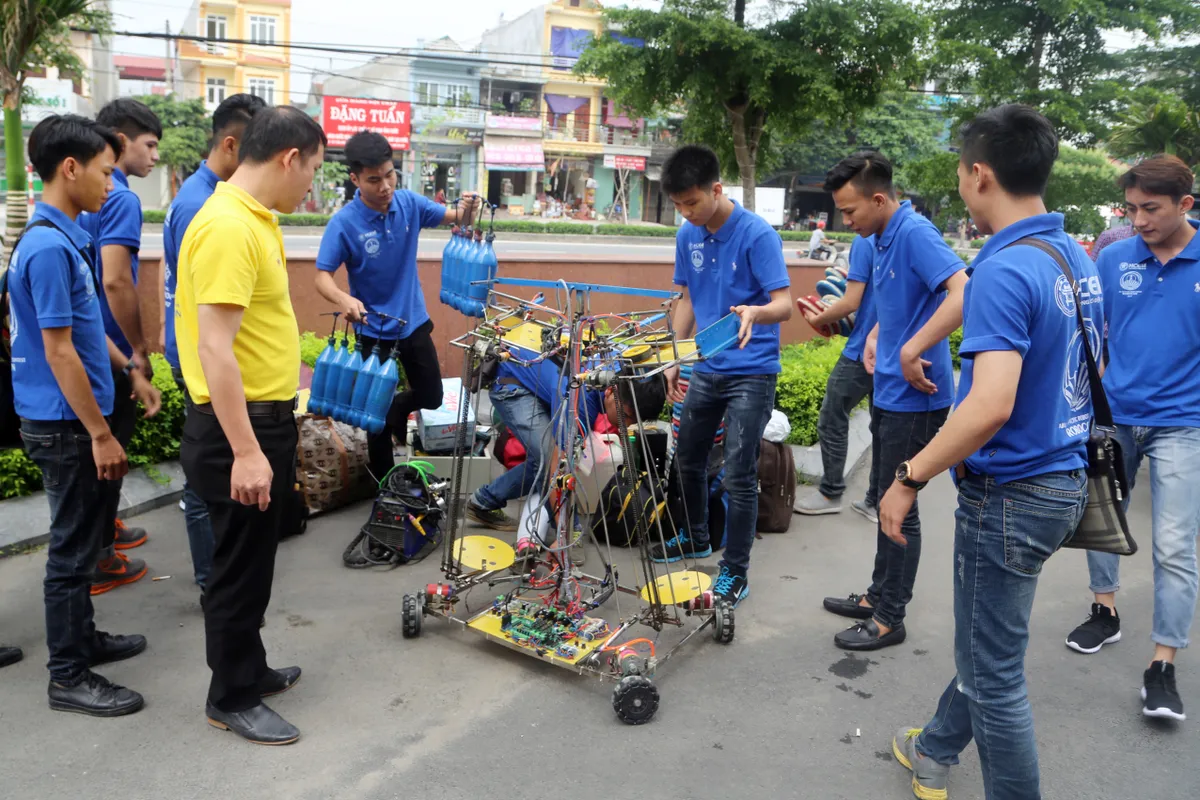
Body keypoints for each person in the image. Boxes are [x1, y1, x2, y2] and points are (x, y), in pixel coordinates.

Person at [885, 104, 1100, 800]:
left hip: (1011, 494)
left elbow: (989, 404)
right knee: (990, 646)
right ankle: (938, 745)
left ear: (980, 174)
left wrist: (908, 477)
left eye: (959, 174)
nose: (959, 188)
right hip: (1063, 481)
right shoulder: (1070, 255)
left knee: (994, 678)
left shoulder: (1008, 268)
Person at [175, 106, 327, 745]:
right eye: (314, 170)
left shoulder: (253, 219)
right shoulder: (228, 226)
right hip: (238, 432)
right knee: (237, 567)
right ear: (289, 157)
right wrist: (246, 451)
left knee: (255, 559)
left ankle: (251, 668)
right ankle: (230, 695)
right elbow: (215, 348)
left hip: (262, 423)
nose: (312, 187)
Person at [8, 114, 161, 715]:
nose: (110, 184)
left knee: (84, 539)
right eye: (103, 172)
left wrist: (130, 370)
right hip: (66, 426)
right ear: (69, 168)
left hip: (79, 419)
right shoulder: (47, 247)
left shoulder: (66, 237)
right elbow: (59, 349)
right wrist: (99, 432)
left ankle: (84, 640)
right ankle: (68, 675)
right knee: (71, 552)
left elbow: (91, 328)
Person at [1065, 154, 1200, 722]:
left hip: (1183, 423)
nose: (1138, 220)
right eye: (1131, 208)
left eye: (1151, 209)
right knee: (1102, 520)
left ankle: (1162, 665)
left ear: (1185, 205)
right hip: (1116, 417)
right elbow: (1090, 335)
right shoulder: (1115, 256)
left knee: (1175, 545)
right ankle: (1105, 611)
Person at [820, 151, 966, 651]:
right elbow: (908, 299)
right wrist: (883, 333)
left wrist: (911, 347)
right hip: (890, 390)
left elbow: (963, 292)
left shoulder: (915, 232)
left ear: (879, 198)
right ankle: (878, 594)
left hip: (917, 396)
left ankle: (889, 616)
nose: (846, 220)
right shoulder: (881, 236)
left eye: (851, 210)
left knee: (900, 508)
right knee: (887, 501)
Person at [648, 144, 793, 607]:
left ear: (716, 189)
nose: (685, 213)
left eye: (691, 203)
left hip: (751, 371)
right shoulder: (687, 236)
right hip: (706, 367)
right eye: (677, 206)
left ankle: (735, 571)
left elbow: (784, 304)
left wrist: (757, 311)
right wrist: (674, 355)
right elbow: (687, 298)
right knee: (687, 459)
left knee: (738, 474)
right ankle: (695, 537)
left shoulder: (757, 235)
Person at [314, 130, 481, 480]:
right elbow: (321, 277)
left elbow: (458, 218)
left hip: (413, 322)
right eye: (374, 180)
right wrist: (344, 298)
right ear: (355, 179)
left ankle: (391, 411)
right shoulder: (343, 224)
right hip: (372, 331)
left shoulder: (409, 204)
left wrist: (469, 208)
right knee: (375, 424)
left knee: (431, 395)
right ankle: (385, 485)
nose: (385, 186)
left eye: (390, 174)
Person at [161, 93, 267, 600]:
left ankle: (221, 580)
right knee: (207, 490)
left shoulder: (209, 197)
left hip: (204, 363)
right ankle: (213, 581)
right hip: (203, 369)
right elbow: (212, 332)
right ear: (231, 145)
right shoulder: (208, 208)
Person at [466, 347, 667, 555]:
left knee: (550, 461)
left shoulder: (626, 370)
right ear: (610, 392)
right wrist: (567, 533)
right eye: (626, 417)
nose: (627, 426)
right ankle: (559, 534)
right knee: (548, 460)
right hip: (513, 387)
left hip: (541, 384)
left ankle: (482, 502)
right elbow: (559, 467)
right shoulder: (580, 399)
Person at [78, 98, 161, 594]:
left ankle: (104, 533)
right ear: (122, 142)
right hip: (109, 346)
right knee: (111, 445)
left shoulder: (85, 195)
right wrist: (137, 349)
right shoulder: (121, 197)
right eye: (149, 146)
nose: (153, 157)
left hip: (88, 340)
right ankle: (100, 557)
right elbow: (115, 280)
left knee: (98, 448)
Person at [794, 233, 880, 522]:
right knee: (883, 426)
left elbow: (852, 301)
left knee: (832, 415)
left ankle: (831, 492)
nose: (847, 220)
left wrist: (819, 319)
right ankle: (877, 501)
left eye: (849, 209)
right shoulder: (907, 234)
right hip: (894, 347)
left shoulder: (867, 240)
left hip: (864, 349)